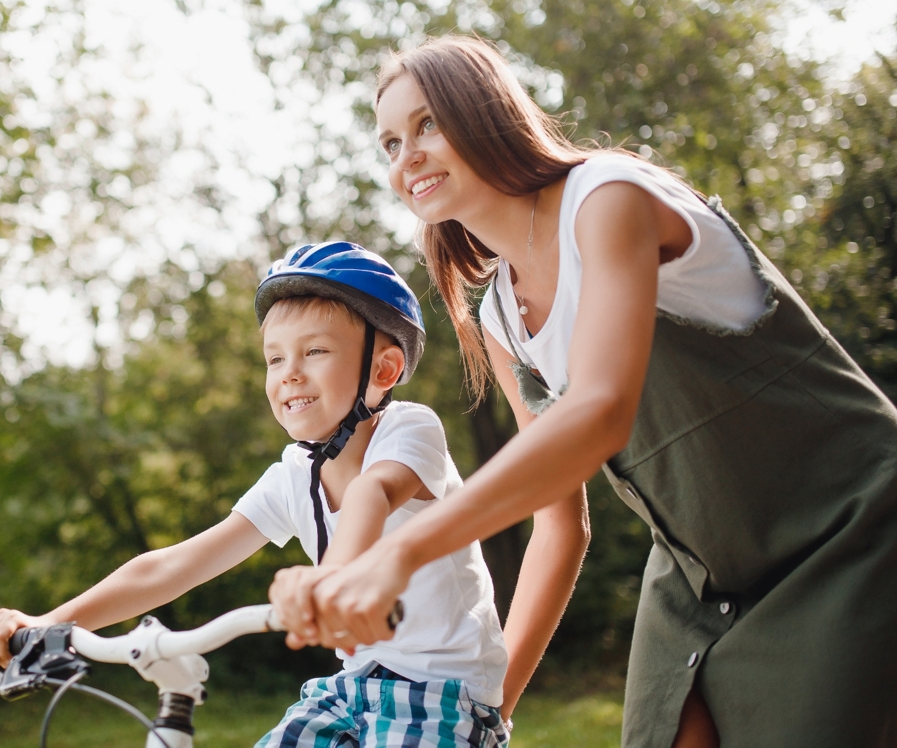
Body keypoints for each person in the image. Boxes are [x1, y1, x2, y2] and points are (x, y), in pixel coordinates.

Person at [268, 35, 897, 748]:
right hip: (701, 577)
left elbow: (599, 412)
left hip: (848, 532)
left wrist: (399, 555)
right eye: (388, 143)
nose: (405, 156)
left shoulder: (606, 197)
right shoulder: (501, 314)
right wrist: (489, 709)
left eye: (427, 125)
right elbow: (559, 522)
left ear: (485, 113)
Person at [0, 242, 512, 748]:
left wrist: (327, 581)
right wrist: (50, 623)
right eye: (274, 359)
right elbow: (171, 566)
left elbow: (374, 492)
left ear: (383, 369)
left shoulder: (409, 429)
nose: (289, 374)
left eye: (314, 351)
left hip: (443, 696)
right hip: (353, 689)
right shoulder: (294, 473)